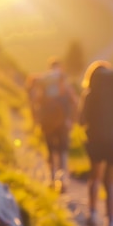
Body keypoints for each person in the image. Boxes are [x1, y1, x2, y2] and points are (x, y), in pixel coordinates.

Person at [79, 60, 113, 226]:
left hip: (96, 140)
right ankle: (111, 225)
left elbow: (82, 119)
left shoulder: (89, 94)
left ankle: (92, 214)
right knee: (110, 183)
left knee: (95, 177)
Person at [35, 57, 78, 192]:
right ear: (61, 68)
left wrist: (38, 118)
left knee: (51, 150)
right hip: (63, 122)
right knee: (62, 151)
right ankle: (63, 181)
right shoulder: (64, 83)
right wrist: (72, 119)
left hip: (47, 122)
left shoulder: (45, 83)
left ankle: (51, 179)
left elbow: (37, 100)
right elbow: (75, 102)